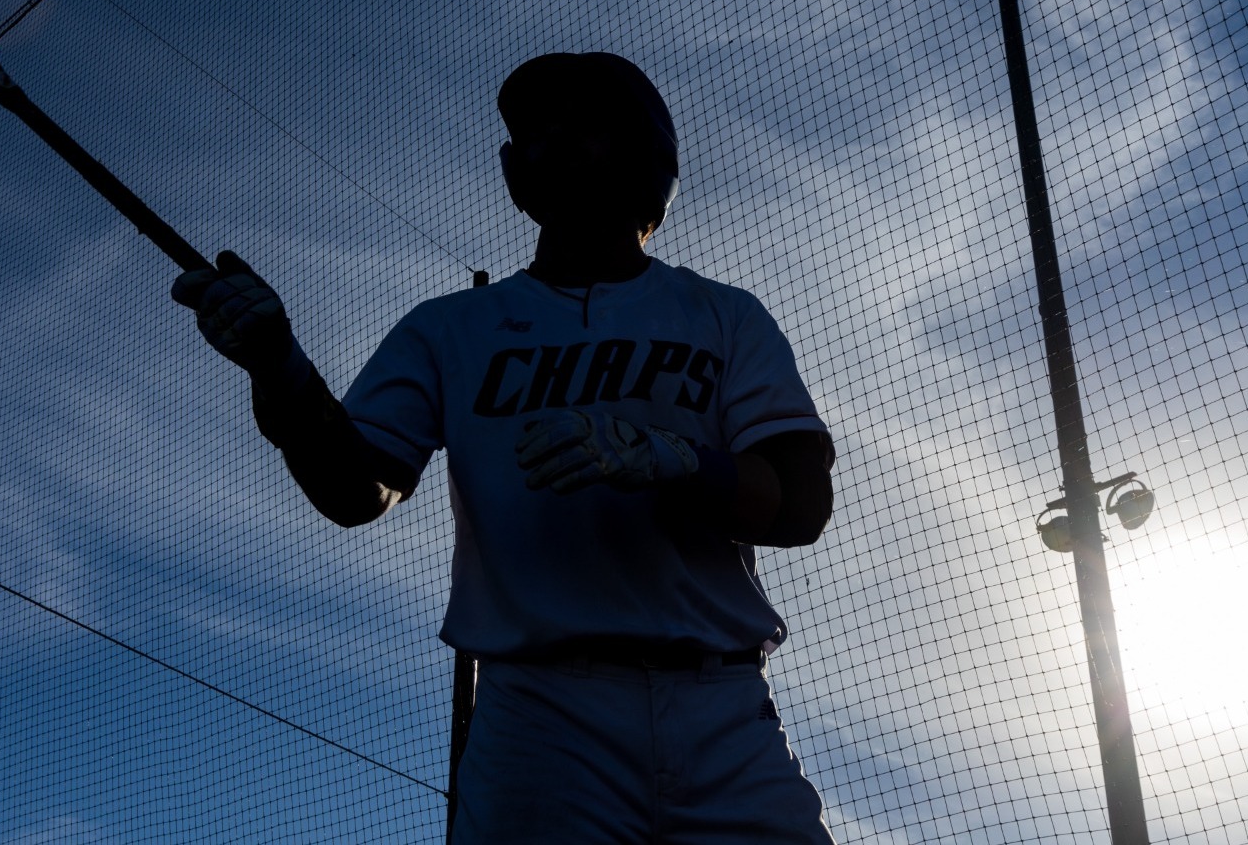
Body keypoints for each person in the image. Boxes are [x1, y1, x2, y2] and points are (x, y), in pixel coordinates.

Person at [174, 52, 837, 843]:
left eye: (583, 122)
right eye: (534, 129)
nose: (552, 139)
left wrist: (682, 462)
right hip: (541, 718)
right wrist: (279, 369)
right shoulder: (449, 327)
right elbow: (357, 489)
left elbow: (802, 503)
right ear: (512, 169)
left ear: (644, 152)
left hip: (724, 707)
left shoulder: (724, 315)